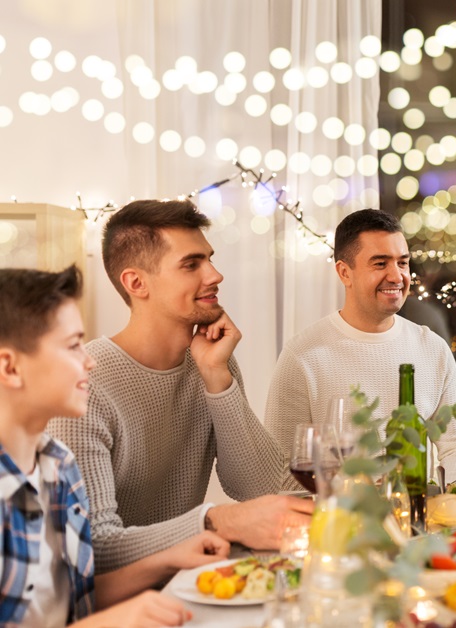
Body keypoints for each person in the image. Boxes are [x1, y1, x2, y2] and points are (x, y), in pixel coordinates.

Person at [48, 199, 312, 574]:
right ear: (136, 283)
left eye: (209, 259)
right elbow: (95, 548)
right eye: (192, 264)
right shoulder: (83, 384)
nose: (215, 275)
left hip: (187, 586)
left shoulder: (211, 362)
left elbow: (263, 487)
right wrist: (217, 521)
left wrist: (217, 377)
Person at [0, 265, 231, 626]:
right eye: (73, 345)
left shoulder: (58, 466)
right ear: (10, 368)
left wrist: (169, 559)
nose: (89, 361)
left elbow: (75, 600)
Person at [265, 208, 456, 487]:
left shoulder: (433, 348)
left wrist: (444, 499)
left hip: (415, 521)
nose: (396, 276)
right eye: (380, 264)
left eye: (403, 263)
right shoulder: (301, 355)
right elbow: (282, 470)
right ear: (345, 273)